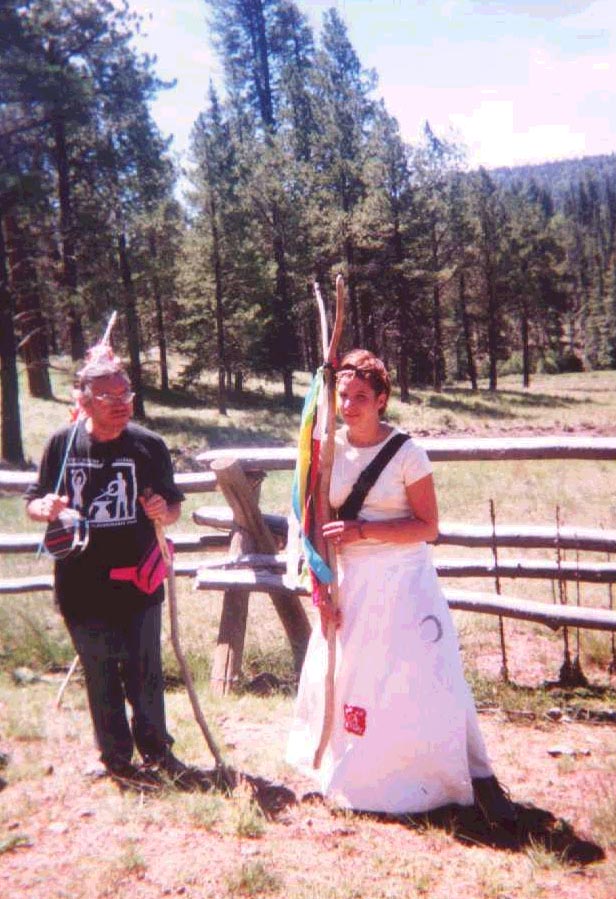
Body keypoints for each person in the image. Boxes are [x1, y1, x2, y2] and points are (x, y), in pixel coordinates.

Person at [287, 349, 516, 825]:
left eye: (361, 397)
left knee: (413, 677)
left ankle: (426, 782)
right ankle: (356, 775)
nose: (350, 406)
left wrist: (363, 531)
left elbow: (428, 526)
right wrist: (323, 591)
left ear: (382, 399)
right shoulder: (326, 451)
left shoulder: (408, 453)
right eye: (343, 396)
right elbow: (316, 525)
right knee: (357, 677)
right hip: (350, 583)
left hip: (404, 583)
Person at [25, 353, 185, 784]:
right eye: (108, 395)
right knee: (100, 674)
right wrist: (46, 507)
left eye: (125, 393)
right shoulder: (62, 443)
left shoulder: (148, 445)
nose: (121, 402)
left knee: (145, 672)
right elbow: (35, 500)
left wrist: (160, 510)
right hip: (81, 584)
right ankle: (116, 759)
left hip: (138, 581)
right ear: (84, 399)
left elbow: (172, 509)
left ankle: (157, 752)